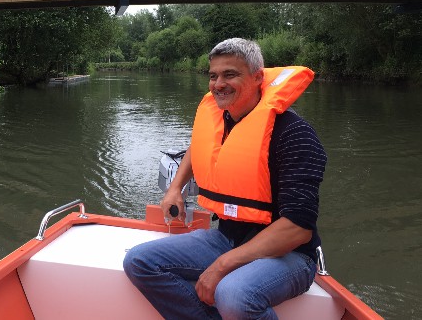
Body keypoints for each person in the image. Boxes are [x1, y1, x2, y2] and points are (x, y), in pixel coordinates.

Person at [123, 38, 327, 319]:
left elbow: (298, 229)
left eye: (230, 74)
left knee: (234, 294)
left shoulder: (295, 135)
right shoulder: (224, 119)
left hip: (290, 255)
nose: (218, 84)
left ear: (258, 78)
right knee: (139, 261)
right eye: (213, 76)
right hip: (226, 237)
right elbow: (199, 147)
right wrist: (174, 188)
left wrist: (221, 266)